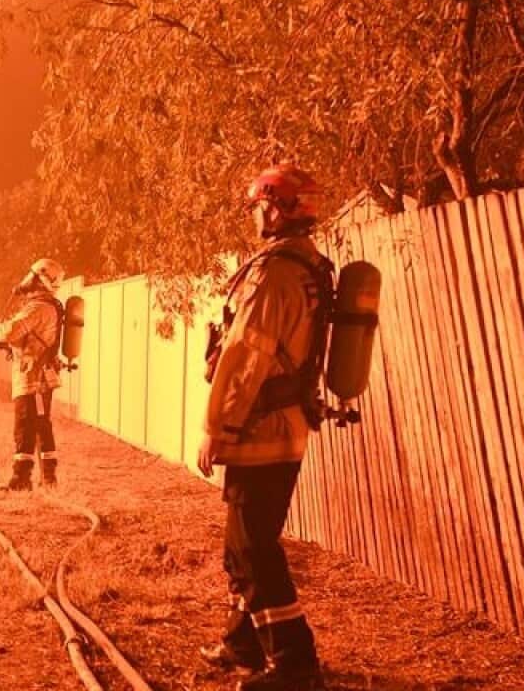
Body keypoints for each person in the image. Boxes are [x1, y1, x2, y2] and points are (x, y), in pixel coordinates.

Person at [196, 164, 333, 691]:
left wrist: (216, 426)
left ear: (276, 208)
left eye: (259, 206)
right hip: (283, 425)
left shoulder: (274, 274)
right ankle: (243, 642)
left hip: (260, 430)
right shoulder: (307, 264)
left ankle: (295, 663)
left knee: (252, 547)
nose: (255, 216)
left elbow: (243, 359)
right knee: (244, 542)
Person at [0, 258, 66, 491]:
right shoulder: (47, 306)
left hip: (33, 379)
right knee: (38, 425)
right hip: (39, 376)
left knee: (25, 426)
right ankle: (46, 478)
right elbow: (25, 338)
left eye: (32, 276)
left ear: (39, 279)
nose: (27, 280)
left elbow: (10, 331)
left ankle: (23, 479)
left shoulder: (38, 307)